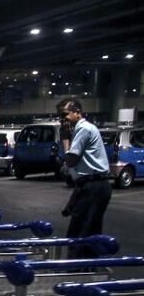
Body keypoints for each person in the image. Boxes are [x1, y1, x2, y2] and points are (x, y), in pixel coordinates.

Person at [57, 98, 111, 258]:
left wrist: (65, 139)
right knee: (90, 228)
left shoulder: (84, 129)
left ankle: (76, 268)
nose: (63, 118)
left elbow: (71, 159)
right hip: (90, 184)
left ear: (77, 112)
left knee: (79, 230)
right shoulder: (83, 129)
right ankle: (88, 266)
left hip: (93, 185)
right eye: (61, 115)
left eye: (65, 114)